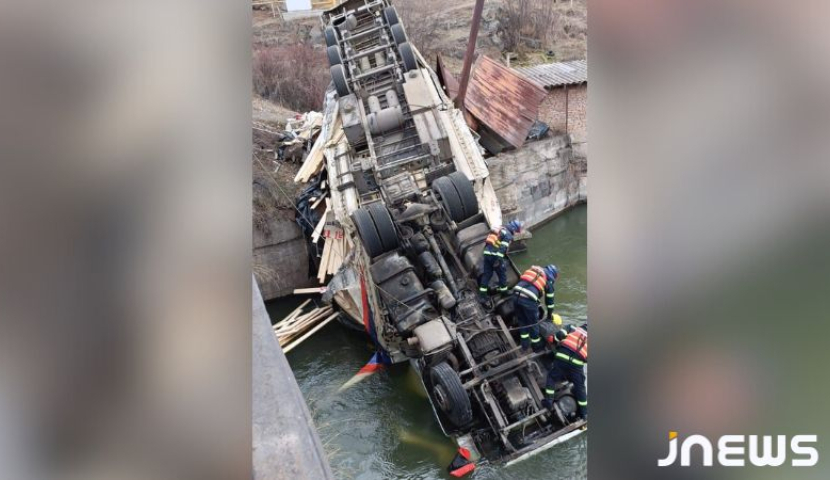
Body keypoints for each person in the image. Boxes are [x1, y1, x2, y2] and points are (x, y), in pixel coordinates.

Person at [542, 322, 588, 421]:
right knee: (580, 389)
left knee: (552, 378)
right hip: (576, 365)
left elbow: (559, 336)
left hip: (562, 357)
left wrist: (553, 339)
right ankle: (585, 414)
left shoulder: (572, 327)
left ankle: (548, 402)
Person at [512, 264, 559, 351]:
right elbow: (550, 303)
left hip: (515, 294)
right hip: (528, 299)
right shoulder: (549, 281)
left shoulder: (533, 271)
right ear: (554, 275)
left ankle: (524, 346)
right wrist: (549, 315)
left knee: (522, 321)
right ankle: (536, 346)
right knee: (533, 323)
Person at [478, 220, 522, 300]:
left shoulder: (500, 230)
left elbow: (488, 243)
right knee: (502, 274)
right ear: (514, 228)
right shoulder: (508, 234)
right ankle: (504, 293)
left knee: (487, 275)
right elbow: (502, 248)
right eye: (516, 231)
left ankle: (482, 296)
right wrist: (498, 260)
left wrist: (487, 254)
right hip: (495, 256)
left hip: (487, 254)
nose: (515, 233)